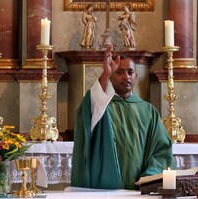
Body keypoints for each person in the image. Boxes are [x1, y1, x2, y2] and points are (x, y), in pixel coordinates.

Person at [71, 46, 176, 190]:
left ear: (136, 77)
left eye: (130, 72)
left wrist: (149, 177)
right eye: (119, 72)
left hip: (138, 190)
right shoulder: (102, 106)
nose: (126, 76)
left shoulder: (148, 111)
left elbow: (162, 150)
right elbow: (88, 109)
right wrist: (105, 74)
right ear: (112, 76)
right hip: (103, 189)